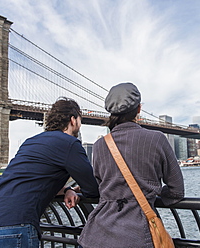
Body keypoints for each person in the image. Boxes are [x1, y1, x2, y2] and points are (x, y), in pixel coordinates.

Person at [0, 97, 99, 248]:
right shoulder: (70, 144)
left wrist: (67, 189)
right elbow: (93, 189)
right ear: (73, 120)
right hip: (15, 227)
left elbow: (33, 178)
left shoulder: (31, 141)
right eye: (80, 120)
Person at [78, 82, 185, 248]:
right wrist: (152, 195)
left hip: (97, 236)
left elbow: (101, 187)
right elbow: (177, 191)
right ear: (139, 109)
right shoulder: (157, 139)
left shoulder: (99, 145)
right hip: (137, 236)